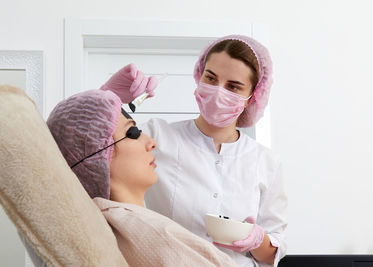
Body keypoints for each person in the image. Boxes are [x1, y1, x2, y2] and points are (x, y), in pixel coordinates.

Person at [100, 34, 288, 267]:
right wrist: (107, 99)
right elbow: (89, 148)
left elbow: (275, 252)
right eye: (211, 78)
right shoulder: (156, 136)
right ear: (199, 76)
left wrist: (256, 241)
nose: (218, 91)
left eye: (233, 86)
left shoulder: (266, 162)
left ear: (252, 97)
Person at [45, 89, 237, 266]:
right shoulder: (155, 235)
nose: (152, 142)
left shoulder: (111, 226)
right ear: (97, 157)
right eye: (133, 132)